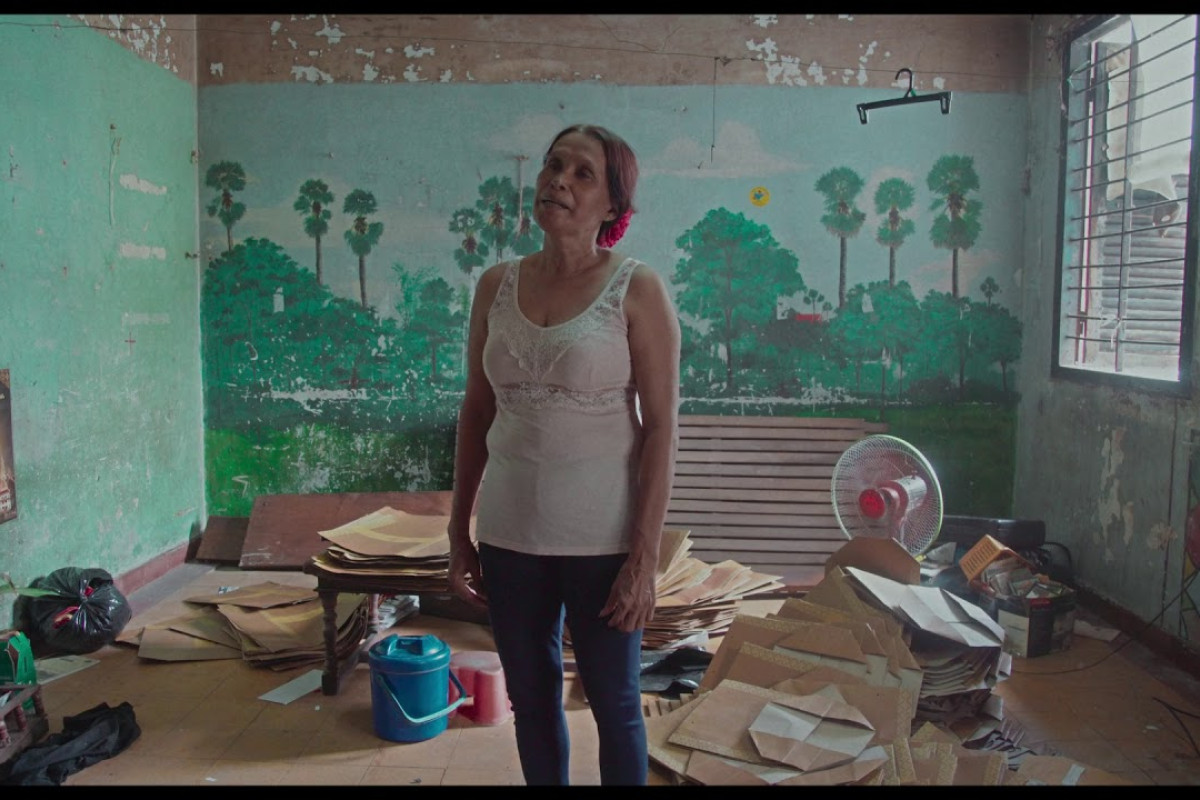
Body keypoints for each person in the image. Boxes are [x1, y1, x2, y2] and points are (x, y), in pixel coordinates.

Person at [446, 123, 680, 786]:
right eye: (554, 166)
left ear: (612, 205)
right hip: (508, 536)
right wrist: (459, 530)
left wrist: (644, 559)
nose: (558, 181)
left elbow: (662, 427)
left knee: (614, 705)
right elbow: (476, 410)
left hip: (602, 542)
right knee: (532, 704)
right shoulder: (496, 285)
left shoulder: (637, 290)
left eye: (582, 174)